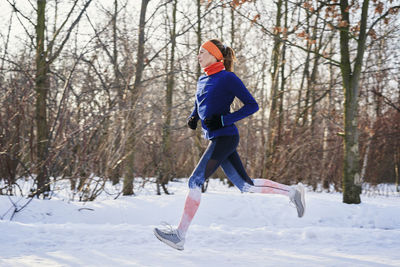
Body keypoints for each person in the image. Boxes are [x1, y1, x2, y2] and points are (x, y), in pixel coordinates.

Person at [153, 39, 305, 251]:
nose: (198, 56)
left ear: (216, 56)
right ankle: (292, 192)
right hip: (217, 138)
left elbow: (253, 105)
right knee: (246, 186)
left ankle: (180, 235)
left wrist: (224, 120)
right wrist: (193, 116)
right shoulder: (202, 79)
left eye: (202, 52)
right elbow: (200, 102)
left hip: (226, 136)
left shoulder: (227, 78)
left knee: (195, 181)